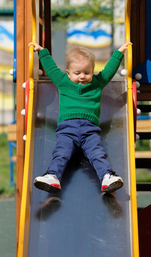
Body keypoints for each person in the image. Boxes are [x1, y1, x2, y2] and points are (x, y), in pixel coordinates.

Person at [29, 41, 132, 194]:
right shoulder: (63, 82)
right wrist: (42, 52)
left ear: (92, 71)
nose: (82, 77)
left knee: (97, 153)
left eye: (87, 72)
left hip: (90, 130)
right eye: (77, 73)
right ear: (68, 72)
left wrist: (119, 54)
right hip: (67, 129)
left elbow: (109, 71)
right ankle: (52, 176)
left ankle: (107, 177)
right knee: (61, 152)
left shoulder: (97, 83)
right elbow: (51, 69)